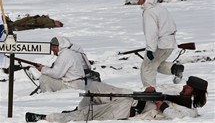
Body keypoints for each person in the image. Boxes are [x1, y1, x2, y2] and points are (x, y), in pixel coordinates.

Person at [25, 76, 208, 122]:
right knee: (95, 88)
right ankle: (74, 113)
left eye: (188, 87)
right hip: (132, 96)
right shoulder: (178, 92)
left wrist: (162, 105)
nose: (184, 87)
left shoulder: (190, 112)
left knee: (88, 114)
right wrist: (152, 90)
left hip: (127, 110)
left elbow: (172, 115)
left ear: (196, 93)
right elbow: (161, 91)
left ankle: (46, 118)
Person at [134, 0, 184, 87]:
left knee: (147, 68)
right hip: (169, 43)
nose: (137, 1)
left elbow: (151, 32)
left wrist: (150, 49)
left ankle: (150, 94)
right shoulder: (160, 7)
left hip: (160, 45)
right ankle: (175, 69)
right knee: (156, 64)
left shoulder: (149, 11)